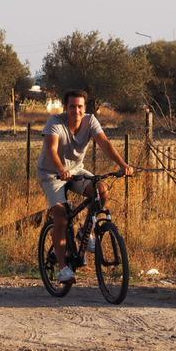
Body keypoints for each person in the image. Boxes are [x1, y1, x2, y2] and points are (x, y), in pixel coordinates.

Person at [38, 89, 133, 284]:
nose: (76, 110)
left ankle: (84, 233)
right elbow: (51, 149)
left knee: (102, 191)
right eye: (72, 106)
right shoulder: (55, 122)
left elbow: (105, 143)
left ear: (85, 107)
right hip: (52, 173)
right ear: (66, 107)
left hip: (76, 170)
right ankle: (64, 269)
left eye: (80, 106)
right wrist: (61, 169)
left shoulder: (90, 121)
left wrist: (123, 165)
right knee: (62, 217)